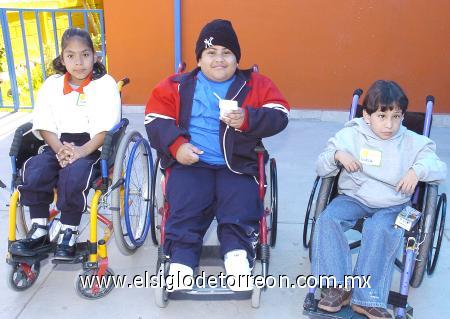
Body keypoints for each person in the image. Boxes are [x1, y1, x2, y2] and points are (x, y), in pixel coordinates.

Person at [145, 19, 289, 291]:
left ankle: (237, 256)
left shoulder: (254, 84)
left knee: (239, 201)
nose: (219, 59)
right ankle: (182, 261)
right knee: (186, 201)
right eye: (211, 53)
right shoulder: (176, 85)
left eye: (226, 53)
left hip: (236, 164)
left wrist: (248, 118)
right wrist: (177, 146)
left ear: (237, 58)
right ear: (199, 59)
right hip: (191, 162)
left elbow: (280, 115)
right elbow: (155, 119)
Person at [312, 80, 447, 318]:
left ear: (403, 116)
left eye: (396, 116)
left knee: (379, 229)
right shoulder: (350, 135)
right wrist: (337, 155)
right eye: (382, 116)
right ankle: (338, 287)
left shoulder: (412, 141)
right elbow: (322, 165)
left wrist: (417, 171)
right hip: (354, 197)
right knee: (328, 219)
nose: (389, 124)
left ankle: (367, 298)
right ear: (367, 115)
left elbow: (437, 166)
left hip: (394, 204)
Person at [10, 28, 121, 260]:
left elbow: (106, 128)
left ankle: (68, 229)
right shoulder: (52, 85)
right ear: (62, 59)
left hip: (92, 146)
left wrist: (81, 151)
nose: (78, 62)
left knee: (74, 174)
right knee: (35, 169)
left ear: (95, 56)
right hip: (56, 143)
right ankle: (39, 228)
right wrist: (60, 149)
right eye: (70, 56)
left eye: (85, 55)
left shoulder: (106, 85)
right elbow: (43, 123)